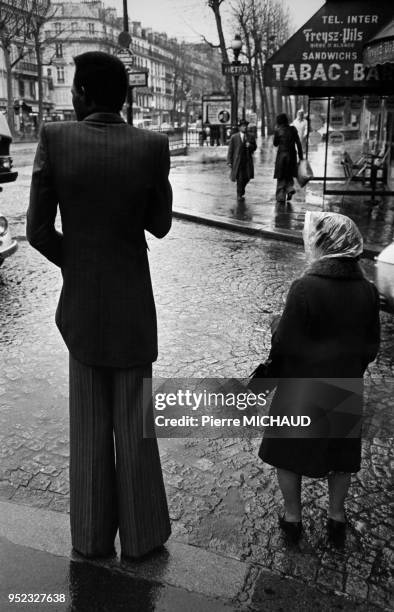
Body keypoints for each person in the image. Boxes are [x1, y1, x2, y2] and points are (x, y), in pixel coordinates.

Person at [26, 51, 172, 560]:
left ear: (81, 95)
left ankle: (90, 538)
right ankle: (142, 536)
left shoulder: (56, 139)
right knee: (135, 426)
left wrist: (78, 265)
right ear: (126, 98)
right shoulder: (152, 145)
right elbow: (160, 223)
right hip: (134, 307)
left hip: (83, 310)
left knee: (89, 429)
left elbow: (37, 232)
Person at [258, 211, 380, 547]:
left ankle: (293, 517)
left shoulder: (304, 287)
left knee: (287, 453)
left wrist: (275, 325)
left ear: (322, 246)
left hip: (301, 388)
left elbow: (285, 344)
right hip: (344, 387)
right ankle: (337, 518)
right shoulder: (368, 292)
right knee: (341, 458)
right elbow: (371, 347)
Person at [273, 113, 303, 205]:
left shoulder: (278, 131)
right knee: (289, 174)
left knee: (281, 176)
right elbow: (298, 143)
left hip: (282, 156)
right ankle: (290, 188)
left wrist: (276, 132)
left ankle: (281, 197)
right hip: (292, 156)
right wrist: (301, 156)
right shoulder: (293, 129)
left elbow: (275, 144)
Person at [227, 119, 257, 202]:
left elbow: (255, 147)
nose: (245, 128)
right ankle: (239, 194)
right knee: (240, 178)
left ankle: (242, 190)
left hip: (247, 161)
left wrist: (250, 145)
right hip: (238, 161)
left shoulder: (250, 136)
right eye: (243, 126)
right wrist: (229, 161)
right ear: (239, 127)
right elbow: (230, 150)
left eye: (246, 126)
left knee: (247, 177)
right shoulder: (234, 137)